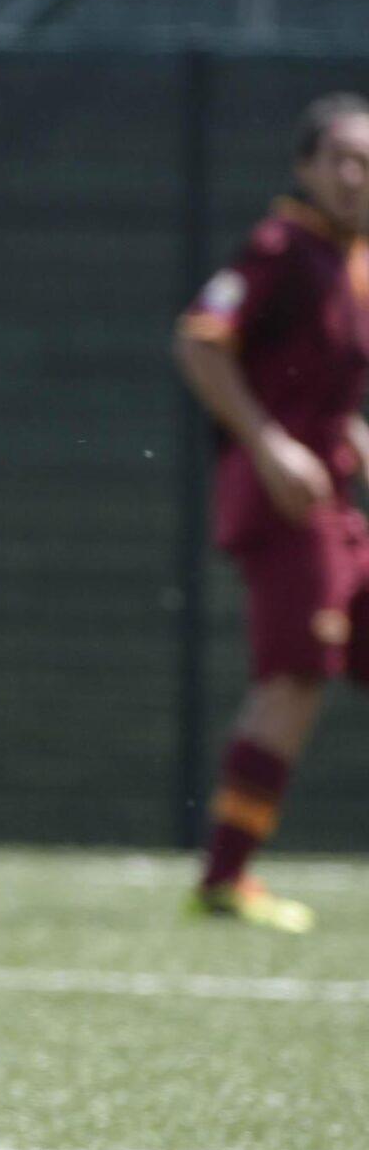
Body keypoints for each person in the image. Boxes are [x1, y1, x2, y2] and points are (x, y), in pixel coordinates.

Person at [173, 93, 369, 934]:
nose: (356, 176)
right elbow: (200, 339)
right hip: (288, 505)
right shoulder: (281, 246)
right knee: (292, 679)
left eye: (368, 163)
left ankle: (226, 874)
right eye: (342, 159)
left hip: (335, 503)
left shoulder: (347, 260)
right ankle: (224, 878)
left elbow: (327, 385)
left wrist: (350, 435)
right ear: (306, 168)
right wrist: (268, 443)